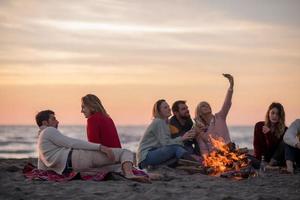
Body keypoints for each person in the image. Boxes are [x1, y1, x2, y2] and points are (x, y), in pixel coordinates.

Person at [36, 110, 149, 182]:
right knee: (125, 152)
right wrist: (100, 147)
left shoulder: (41, 138)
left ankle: (143, 174)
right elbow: (72, 143)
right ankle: (129, 174)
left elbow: (41, 167)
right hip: (76, 158)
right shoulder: (49, 131)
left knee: (113, 167)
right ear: (45, 123)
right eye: (53, 119)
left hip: (71, 168)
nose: (57, 121)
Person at [137, 99, 197, 169]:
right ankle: (198, 165)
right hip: (146, 156)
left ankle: (156, 166)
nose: (169, 109)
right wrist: (183, 138)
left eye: (168, 107)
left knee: (176, 155)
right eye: (165, 107)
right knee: (176, 148)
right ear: (159, 111)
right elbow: (166, 143)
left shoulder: (165, 123)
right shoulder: (159, 122)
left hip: (151, 156)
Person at [194, 74, 234, 156]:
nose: (206, 106)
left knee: (249, 159)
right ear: (199, 112)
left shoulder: (220, 117)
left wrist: (231, 87)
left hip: (229, 151)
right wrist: (208, 160)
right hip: (215, 158)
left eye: (207, 104)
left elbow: (227, 103)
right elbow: (203, 149)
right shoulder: (199, 129)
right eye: (203, 106)